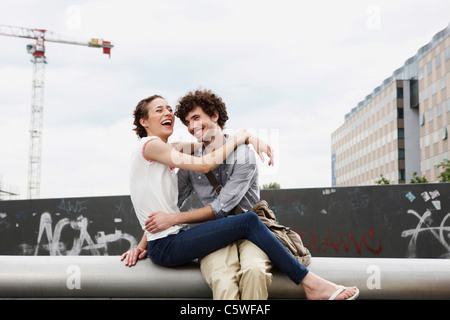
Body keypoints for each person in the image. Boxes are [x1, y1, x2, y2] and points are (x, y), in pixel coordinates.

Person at [121, 94, 359, 300]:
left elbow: (167, 208)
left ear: (214, 115)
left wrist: (246, 136)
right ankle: (312, 283)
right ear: (144, 121)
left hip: (184, 236)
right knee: (234, 252)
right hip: (173, 241)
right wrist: (242, 135)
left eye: (170, 110)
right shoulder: (153, 146)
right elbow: (203, 166)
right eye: (160, 110)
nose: (169, 114)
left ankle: (313, 285)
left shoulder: (176, 149)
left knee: (254, 265)